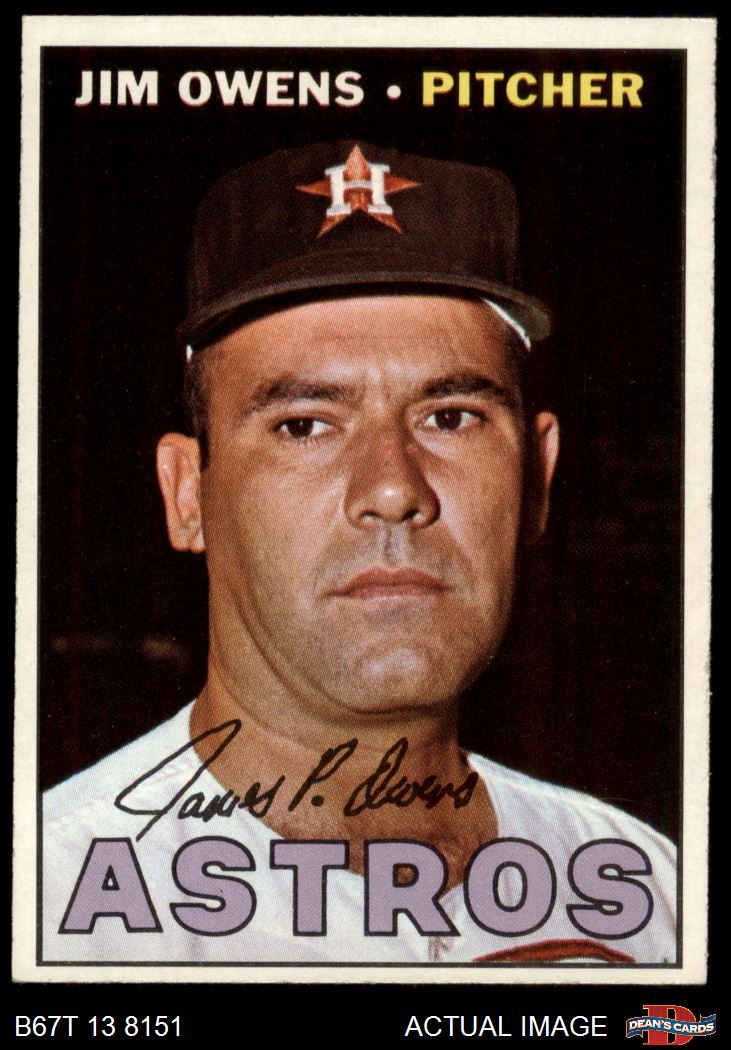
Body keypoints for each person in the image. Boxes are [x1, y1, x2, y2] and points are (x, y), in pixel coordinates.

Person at [43, 141, 676, 965]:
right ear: (187, 495)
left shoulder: (646, 889)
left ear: (536, 477)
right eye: (304, 425)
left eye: (450, 417)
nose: (391, 489)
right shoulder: (52, 900)